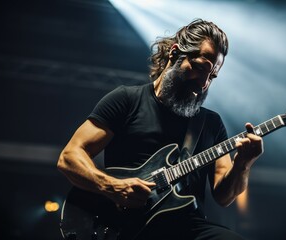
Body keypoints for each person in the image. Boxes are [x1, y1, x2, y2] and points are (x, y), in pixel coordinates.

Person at [57, 18, 264, 240]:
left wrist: (243, 164)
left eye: (212, 76)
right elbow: (69, 157)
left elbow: (224, 196)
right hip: (123, 228)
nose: (204, 83)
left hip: (187, 228)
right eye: (201, 68)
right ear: (175, 53)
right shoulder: (126, 100)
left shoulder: (210, 123)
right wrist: (112, 187)